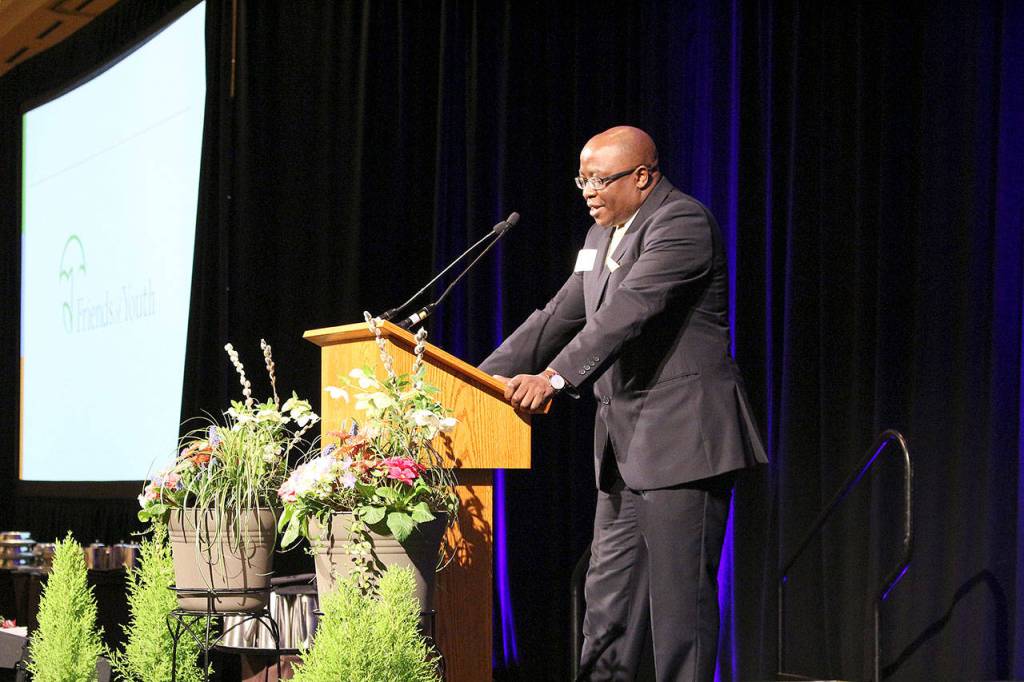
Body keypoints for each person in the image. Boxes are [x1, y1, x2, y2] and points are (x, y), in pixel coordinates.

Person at [479, 126, 767, 681]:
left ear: (643, 176)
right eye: (582, 179)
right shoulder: (596, 237)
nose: (588, 190)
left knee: (680, 611)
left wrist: (555, 378)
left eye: (600, 179)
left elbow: (627, 312)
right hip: (623, 449)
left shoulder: (681, 223)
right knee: (606, 602)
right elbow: (557, 316)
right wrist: (476, 378)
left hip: (685, 444)